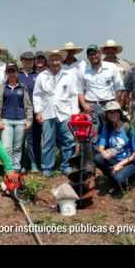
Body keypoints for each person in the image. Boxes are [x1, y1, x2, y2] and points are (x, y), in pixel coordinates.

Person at [33, 49, 81, 177]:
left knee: (68, 140)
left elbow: (73, 95)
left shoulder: (68, 75)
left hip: (65, 112)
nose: (55, 62)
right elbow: (37, 95)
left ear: (61, 60)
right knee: (48, 141)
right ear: (48, 61)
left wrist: (74, 114)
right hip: (47, 112)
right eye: (52, 59)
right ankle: (47, 167)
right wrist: (38, 112)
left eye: (57, 59)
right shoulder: (42, 76)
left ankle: (66, 165)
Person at [94, 101, 135, 194]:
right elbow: (101, 147)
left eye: (115, 111)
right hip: (115, 159)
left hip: (130, 162)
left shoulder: (128, 127)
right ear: (106, 114)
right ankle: (113, 179)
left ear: (120, 113)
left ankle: (124, 181)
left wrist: (119, 165)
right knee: (98, 158)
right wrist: (106, 152)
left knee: (118, 178)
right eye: (110, 112)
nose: (113, 114)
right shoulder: (107, 127)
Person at [0, 63, 33, 174]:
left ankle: (16, 169)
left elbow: (29, 106)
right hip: (6, 121)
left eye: (13, 71)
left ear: (17, 72)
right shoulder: (2, 87)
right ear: (6, 73)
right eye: (9, 71)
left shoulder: (23, 87)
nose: (11, 74)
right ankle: (8, 169)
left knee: (18, 147)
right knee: (6, 148)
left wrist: (29, 120)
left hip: (21, 121)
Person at [78, 45, 125, 138]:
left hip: (109, 105)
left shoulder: (111, 67)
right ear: (88, 57)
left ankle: (110, 152)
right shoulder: (83, 70)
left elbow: (119, 87)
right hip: (91, 107)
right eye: (90, 54)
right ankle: (95, 152)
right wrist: (84, 105)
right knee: (93, 135)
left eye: (95, 53)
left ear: (100, 54)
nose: (93, 56)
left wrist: (115, 104)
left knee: (111, 134)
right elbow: (79, 90)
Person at [18, 51, 39, 172]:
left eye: (31, 60)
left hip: (35, 111)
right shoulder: (17, 75)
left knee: (33, 140)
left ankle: (34, 163)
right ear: (22, 60)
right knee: (20, 140)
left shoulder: (38, 75)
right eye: (26, 60)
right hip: (20, 112)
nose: (28, 62)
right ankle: (21, 164)